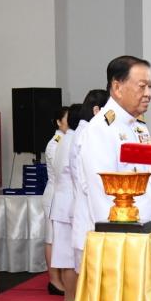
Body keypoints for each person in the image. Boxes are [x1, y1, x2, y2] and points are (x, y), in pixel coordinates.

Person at [79, 56, 151, 234]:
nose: (148, 93)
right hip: (122, 237)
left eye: (150, 86)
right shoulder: (101, 129)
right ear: (117, 88)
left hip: (143, 231)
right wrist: (121, 242)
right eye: (142, 86)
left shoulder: (138, 126)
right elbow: (103, 197)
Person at [68, 89, 110, 284]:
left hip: (87, 208)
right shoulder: (88, 134)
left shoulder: (85, 132)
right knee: (90, 278)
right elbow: (89, 181)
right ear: (96, 110)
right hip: (88, 210)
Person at [48, 104, 83, 301]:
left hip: (63, 203)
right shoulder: (74, 140)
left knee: (67, 258)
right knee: (71, 259)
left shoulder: (65, 139)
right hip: (70, 204)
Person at [42, 106, 69, 296]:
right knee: (51, 238)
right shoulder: (55, 143)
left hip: (62, 193)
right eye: (67, 119)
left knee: (59, 238)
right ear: (59, 122)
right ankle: (54, 280)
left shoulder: (67, 140)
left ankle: (61, 278)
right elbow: (60, 171)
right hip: (54, 194)